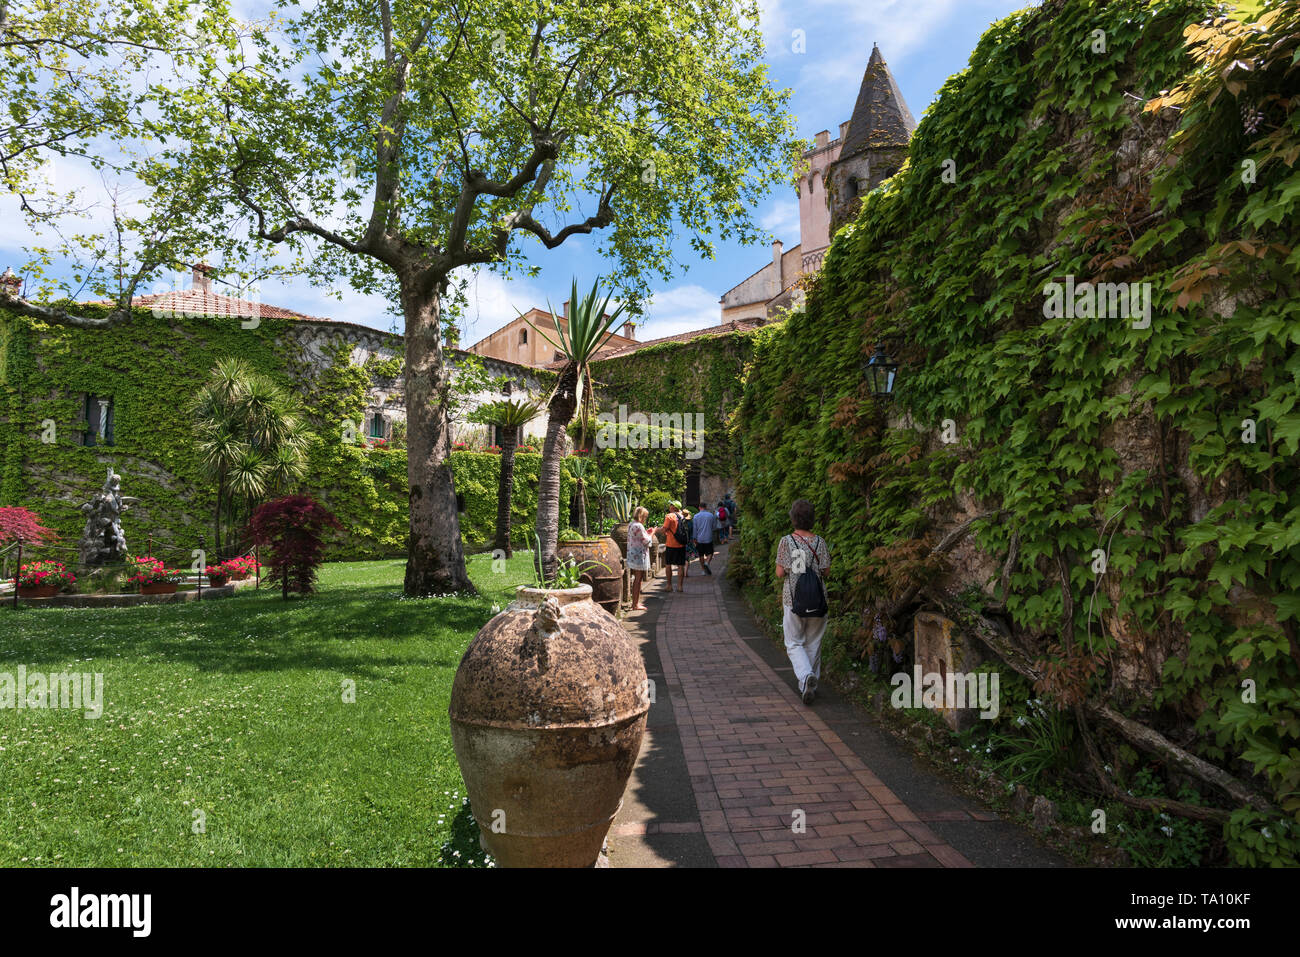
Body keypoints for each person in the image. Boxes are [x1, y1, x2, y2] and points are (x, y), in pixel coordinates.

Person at [775, 499, 831, 705]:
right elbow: (826, 571)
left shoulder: (787, 541)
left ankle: (806, 676)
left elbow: (780, 572)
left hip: (794, 599)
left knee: (793, 642)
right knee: (813, 642)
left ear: (793, 518)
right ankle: (807, 684)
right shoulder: (820, 542)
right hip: (818, 599)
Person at [626, 506, 656, 610]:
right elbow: (647, 541)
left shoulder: (631, 524)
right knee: (638, 580)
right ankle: (635, 604)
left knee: (637, 579)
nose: (645, 519)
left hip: (632, 553)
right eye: (645, 517)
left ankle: (635, 603)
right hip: (638, 555)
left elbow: (638, 537)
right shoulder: (639, 526)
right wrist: (652, 533)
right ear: (641, 516)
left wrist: (647, 533)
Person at [662, 501, 687, 593]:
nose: (669, 506)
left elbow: (664, 529)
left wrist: (655, 530)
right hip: (681, 544)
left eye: (671, 505)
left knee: (668, 565)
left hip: (671, 544)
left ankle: (669, 585)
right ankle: (680, 587)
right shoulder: (683, 516)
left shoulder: (669, 516)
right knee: (680, 565)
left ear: (674, 507)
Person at [691, 501, 717, 574]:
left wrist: (694, 538)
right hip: (708, 537)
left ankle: (703, 570)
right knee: (710, 553)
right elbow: (714, 527)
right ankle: (707, 562)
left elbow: (695, 529)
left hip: (699, 538)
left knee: (701, 555)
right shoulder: (711, 515)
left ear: (699, 507)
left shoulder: (696, 516)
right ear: (706, 507)